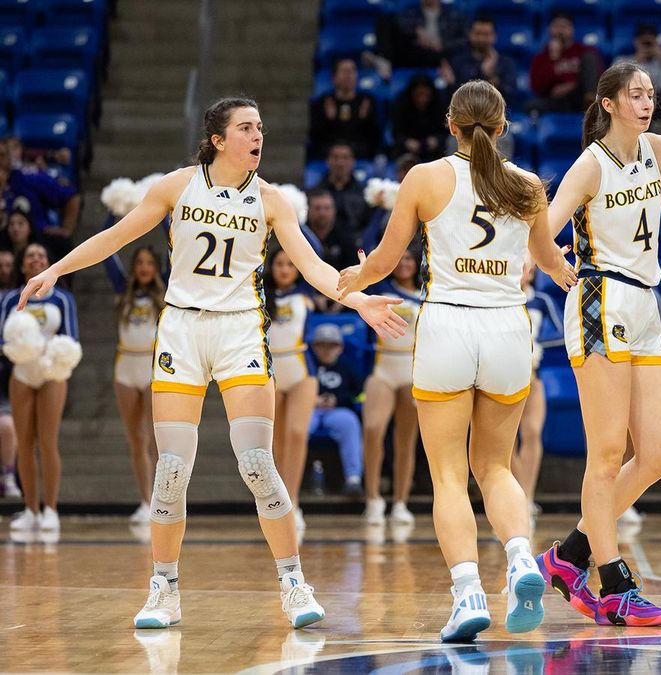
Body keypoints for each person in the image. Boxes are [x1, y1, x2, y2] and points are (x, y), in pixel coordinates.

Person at [17, 96, 405, 628]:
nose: (257, 135)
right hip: (181, 328)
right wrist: (56, 269)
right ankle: (164, 589)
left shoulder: (271, 200)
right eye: (246, 128)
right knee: (171, 470)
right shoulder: (176, 186)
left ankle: (294, 583)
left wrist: (357, 300)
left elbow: (312, 266)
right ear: (219, 139)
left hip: (240, 330)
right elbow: (114, 237)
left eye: (260, 127)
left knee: (257, 463)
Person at [337, 80, 576, 642]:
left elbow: (385, 262)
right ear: (503, 126)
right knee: (496, 467)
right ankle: (520, 559)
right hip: (507, 329)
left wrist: (355, 277)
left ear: (451, 125)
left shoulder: (424, 177)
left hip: (447, 325)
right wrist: (567, 270)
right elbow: (548, 260)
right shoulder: (528, 185)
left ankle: (467, 593)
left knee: (447, 476)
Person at [535, 63, 661, 627]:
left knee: (658, 453)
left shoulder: (660, 150)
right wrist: (554, 266)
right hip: (601, 299)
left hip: (644, 304)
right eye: (635, 95)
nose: (646, 102)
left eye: (650, 94)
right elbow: (543, 228)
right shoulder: (590, 164)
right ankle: (613, 584)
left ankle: (568, 556)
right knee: (608, 453)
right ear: (608, 103)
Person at [1, 242, 77, 532]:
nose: (36, 259)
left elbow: (71, 338)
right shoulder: (11, 298)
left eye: (41, 255)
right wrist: (19, 349)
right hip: (22, 372)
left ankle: (51, 510)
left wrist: (56, 357)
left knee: (47, 441)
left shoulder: (62, 298)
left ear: (48, 263)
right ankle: (31, 509)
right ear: (22, 264)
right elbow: (2, 338)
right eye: (30, 256)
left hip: (51, 373)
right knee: (24, 443)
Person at [105, 245, 167, 524]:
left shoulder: (165, 291)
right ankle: (144, 501)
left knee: (156, 439)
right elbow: (108, 254)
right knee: (136, 439)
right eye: (139, 262)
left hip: (153, 367)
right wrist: (114, 219)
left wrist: (168, 219)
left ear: (156, 267)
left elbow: (173, 243)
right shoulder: (122, 288)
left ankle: (161, 502)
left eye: (149, 262)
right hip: (126, 368)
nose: (144, 267)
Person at [362, 249, 423, 526]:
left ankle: (400, 503)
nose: (404, 263)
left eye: (409, 259)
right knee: (373, 428)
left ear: (417, 263)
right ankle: (373, 499)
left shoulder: (426, 294)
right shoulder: (380, 291)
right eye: (399, 258)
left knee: (406, 440)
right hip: (382, 368)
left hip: (412, 370)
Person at [264, 248, 318, 529]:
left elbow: (314, 249)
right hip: (271, 372)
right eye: (279, 264)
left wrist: (296, 222)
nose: (285, 269)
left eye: (290, 264)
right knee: (277, 443)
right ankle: (280, 504)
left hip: (302, 371)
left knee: (297, 434)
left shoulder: (307, 291)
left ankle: (294, 502)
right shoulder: (260, 293)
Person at [512, 258, 565, 515]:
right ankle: (515, 496)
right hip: (503, 373)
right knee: (505, 440)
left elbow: (561, 332)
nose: (528, 272)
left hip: (532, 374)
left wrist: (536, 344)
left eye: (531, 269)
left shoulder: (540, 300)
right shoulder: (501, 298)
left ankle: (527, 496)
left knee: (532, 432)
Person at [308, 323, 365, 496]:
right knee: (298, 425)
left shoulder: (348, 367)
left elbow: (359, 394)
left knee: (350, 422)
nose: (327, 350)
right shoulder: (307, 366)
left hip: (338, 411)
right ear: (314, 347)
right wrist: (312, 400)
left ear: (340, 347)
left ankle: (353, 479)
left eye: (331, 345)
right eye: (322, 345)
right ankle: (284, 477)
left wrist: (338, 400)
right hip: (309, 410)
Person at [0, 142, 80, 259]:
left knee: (62, 243)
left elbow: (72, 196)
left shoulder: (28, 178)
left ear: (9, 158)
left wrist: (66, 229)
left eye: (2, 155)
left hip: (37, 236)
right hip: (3, 241)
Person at [614, 25, 661, 137]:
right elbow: (612, 83)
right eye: (644, 43)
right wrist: (636, 60)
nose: (647, 46)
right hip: (633, 101)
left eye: (650, 43)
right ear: (636, 42)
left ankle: (657, 133)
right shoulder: (623, 61)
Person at [527, 12, 603, 114]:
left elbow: (598, 78)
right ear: (549, 29)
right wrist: (553, 57)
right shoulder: (541, 57)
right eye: (556, 26)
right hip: (556, 100)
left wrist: (570, 86)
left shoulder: (584, 51)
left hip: (580, 96)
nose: (560, 31)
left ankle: (591, 105)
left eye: (564, 27)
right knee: (531, 106)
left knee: (589, 58)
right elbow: (537, 87)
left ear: (572, 29)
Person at [309, 59, 382, 161]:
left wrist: (364, 120)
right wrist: (330, 120)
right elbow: (315, 136)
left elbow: (375, 136)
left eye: (352, 71)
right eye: (344, 72)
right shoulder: (323, 102)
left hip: (360, 152)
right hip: (330, 151)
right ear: (334, 78)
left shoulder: (367, 101)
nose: (349, 76)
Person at [374, 0, 467, 70]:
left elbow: (464, 39)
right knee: (385, 20)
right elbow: (399, 28)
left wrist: (442, 44)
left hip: (442, 54)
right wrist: (415, 33)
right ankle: (384, 60)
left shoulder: (453, 14)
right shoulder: (411, 12)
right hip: (415, 52)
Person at [445, 17, 518, 102]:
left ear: (494, 36)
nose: (481, 39)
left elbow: (509, 96)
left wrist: (491, 76)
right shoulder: (458, 61)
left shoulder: (506, 63)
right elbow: (455, 96)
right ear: (470, 34)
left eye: (486, 34)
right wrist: (482, 73)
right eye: (478, 34)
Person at [390, 74, 449, 163]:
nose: (422, 99)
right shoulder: (401, 104)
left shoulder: (440, 103)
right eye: (418, 95)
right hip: (408, 149)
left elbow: (447, 130)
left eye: (426, 95)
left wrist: (437, 140)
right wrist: (407, 142)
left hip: (436, 149)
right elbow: (396, 132)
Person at [317, 144, 371, 234]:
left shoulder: (364, 194)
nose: (340, 163)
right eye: (335, 157)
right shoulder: (315, 193)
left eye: (345, 158)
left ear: (353, 162)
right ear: (327, 161)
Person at [0, 249, 16, 499]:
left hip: (8, 369)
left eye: (7, 265)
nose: (3, 269)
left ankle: (9, 475)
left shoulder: (14, 297)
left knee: (7, 425)